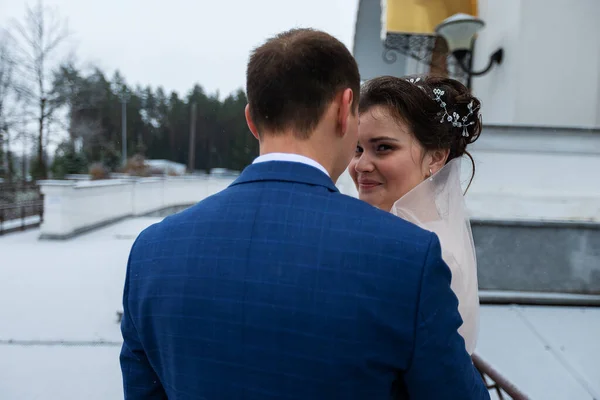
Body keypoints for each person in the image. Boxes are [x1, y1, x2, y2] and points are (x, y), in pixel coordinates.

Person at [120, 29, 489, 399]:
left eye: (382, 147)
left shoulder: (152, 249)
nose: (363, 164)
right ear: (346, 110)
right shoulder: (408, 257)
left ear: (252, 120)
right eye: (362, 146)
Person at [348, 75, 483, 354]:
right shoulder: (399, 234)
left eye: (383, 148)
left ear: (435, 157)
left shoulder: (433, 255)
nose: (361, 165)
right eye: (357, 149)